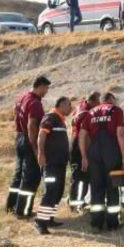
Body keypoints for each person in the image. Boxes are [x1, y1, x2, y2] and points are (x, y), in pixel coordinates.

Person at [79, 92, 124, 231]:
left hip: (94, 152)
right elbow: (120, 133)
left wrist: (84, 156)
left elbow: (82, 135)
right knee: (112, 187)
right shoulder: (116, 110)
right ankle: (113, 224)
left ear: (101, 101)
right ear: (111, 100)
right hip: (111, 152)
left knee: (96, 187)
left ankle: (96, 223)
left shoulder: (91, 112)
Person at [6, 76, 51, 218]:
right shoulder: (35, 102)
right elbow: (32, 125)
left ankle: (11, 206)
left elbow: (16, 117)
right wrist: (35, 147)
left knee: (18, 175)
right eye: (46, 88)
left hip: (19, 137)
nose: (46, 92)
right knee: (30, 177)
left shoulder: (22, 97)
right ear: (41, 86)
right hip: (28, 139)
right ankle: (23, 211)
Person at [34, 96, 72, 235]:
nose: (70, 108)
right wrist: (41, 154)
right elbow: (41, 136)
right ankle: (40, 222)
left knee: (58, 191)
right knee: (50, 192)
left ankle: (49, 218)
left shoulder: (60, 120)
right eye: (69, 105)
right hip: (51, 163)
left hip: (60, 163)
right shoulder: (50, 118)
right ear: (61, 105)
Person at [68, 92, 100, 212]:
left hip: (73, 141)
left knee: (77, 175)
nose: (100, 104)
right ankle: (77, 204)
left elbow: (72, 122)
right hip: (79, 146)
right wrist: (84, 155)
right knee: (81, 177)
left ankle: (74, 202)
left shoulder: (81, 105)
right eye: (99, 101)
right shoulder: (87, 114)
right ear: (94, 101)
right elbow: (84, 136)